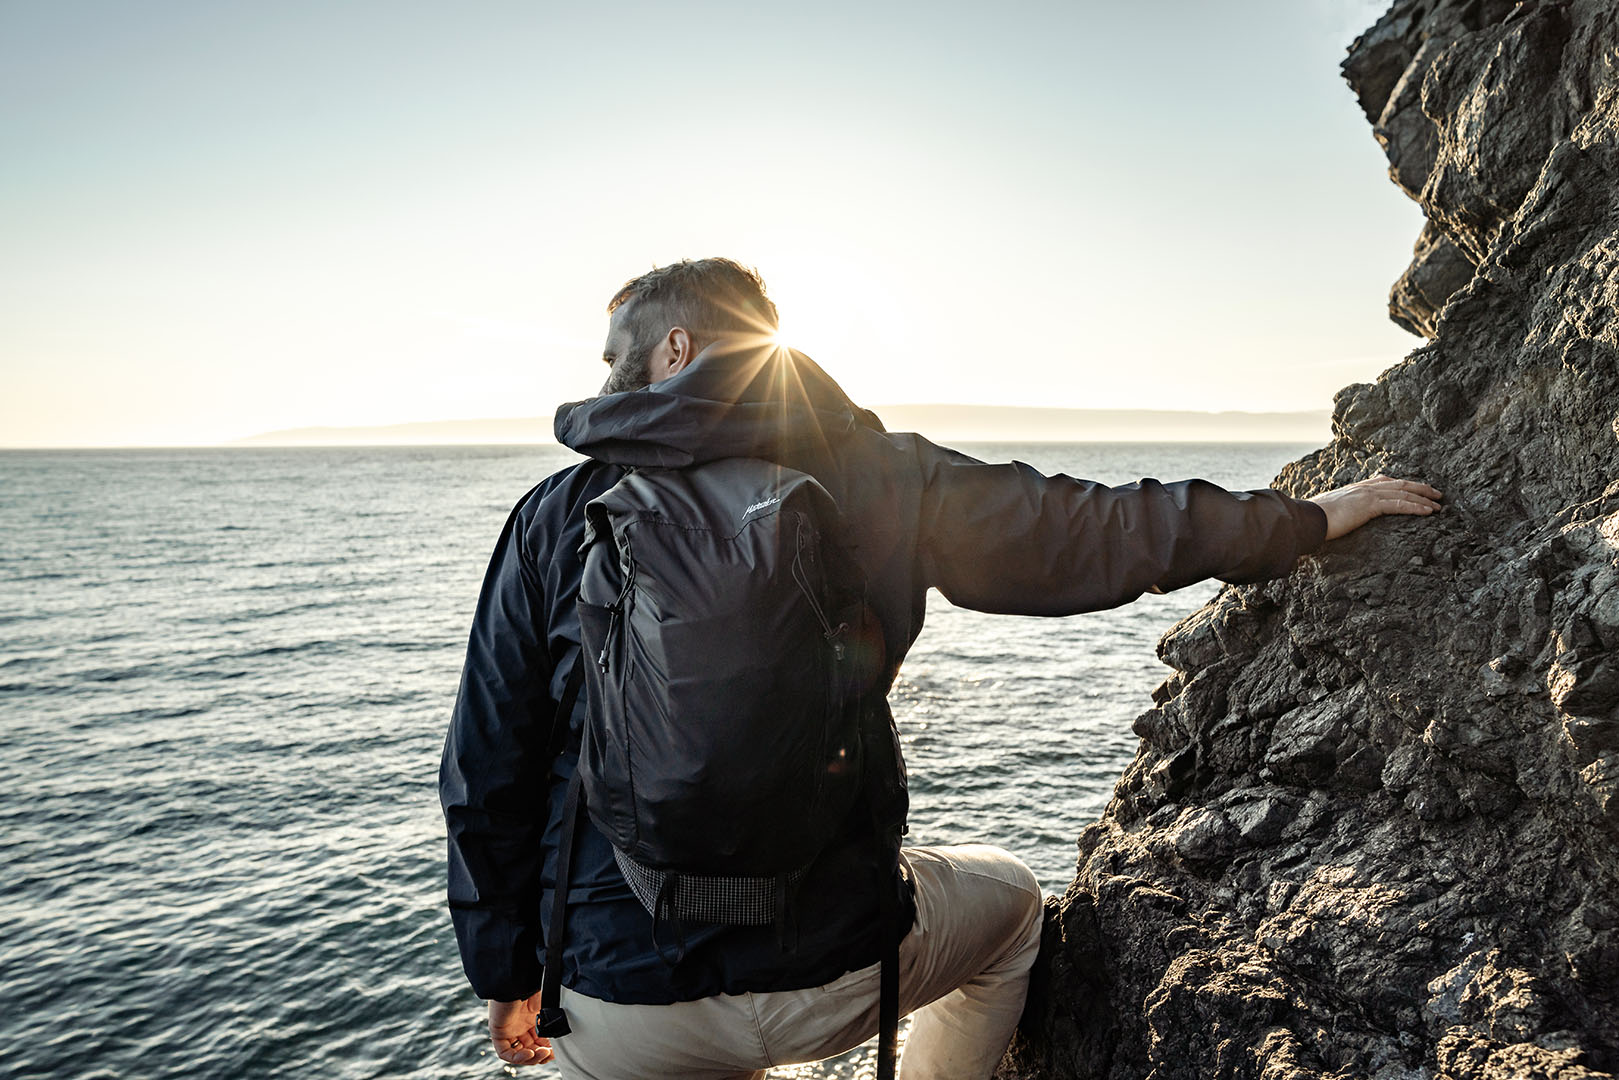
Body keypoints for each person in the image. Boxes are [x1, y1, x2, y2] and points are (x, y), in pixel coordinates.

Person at [439, 258, 1443, 1079]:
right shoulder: (882, 474)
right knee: (1009, 907)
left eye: (615, 353)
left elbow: (488, 769)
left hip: (619, 1008)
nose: (603, 372)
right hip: (843, 967)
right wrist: (1309, 518)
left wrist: (505, 971)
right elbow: (1091, 530)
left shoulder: (554, 518)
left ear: (675, 346)